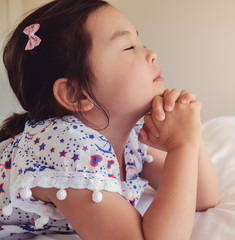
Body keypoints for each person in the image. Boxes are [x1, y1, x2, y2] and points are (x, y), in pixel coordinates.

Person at [0, 0, 219, 239]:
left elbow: (203, 197)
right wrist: (182, 146)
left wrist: (189, 134)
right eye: (128, 47)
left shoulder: (131, 135)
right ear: (76, 94)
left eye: (140, 42)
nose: (152, 54)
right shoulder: (66, 147)